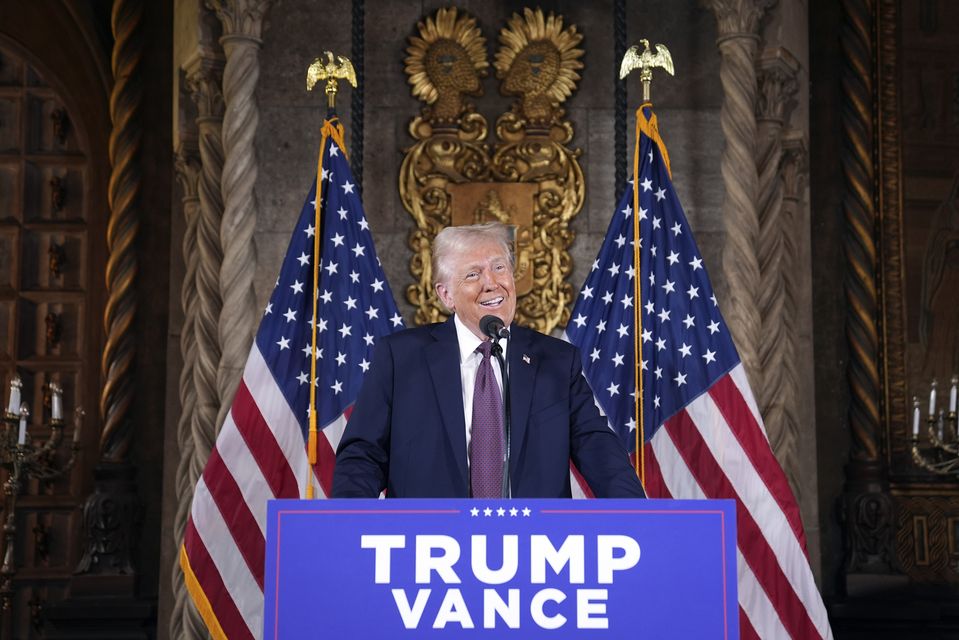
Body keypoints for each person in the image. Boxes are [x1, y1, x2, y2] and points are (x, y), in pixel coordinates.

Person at [332, 222, 645, 499]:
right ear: (446, 296)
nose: (492, 282)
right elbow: (363, 455)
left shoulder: (557, 361)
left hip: (535, 546)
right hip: (426, 547)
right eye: (473, 274)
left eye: (499, 268)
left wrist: (642, 521)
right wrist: (348, 527)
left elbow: (598, 448)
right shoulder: (401, 358)